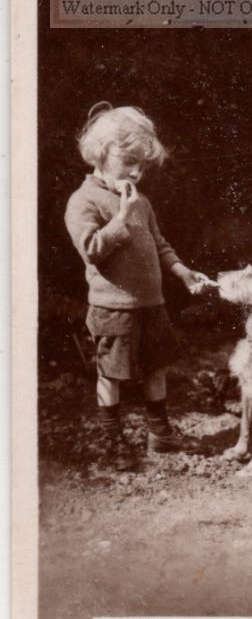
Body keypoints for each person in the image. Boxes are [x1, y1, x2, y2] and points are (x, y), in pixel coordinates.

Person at [65, 101, 209, 463]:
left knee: (156, 366)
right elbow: (91, 249)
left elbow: (158, 244)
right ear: (100, 153)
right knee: (110, 374)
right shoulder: (84, 200)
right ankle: (111, 442)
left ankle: (159, 435)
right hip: (113, 308)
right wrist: (122, 218)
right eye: (129, 162)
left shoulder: (140, 201)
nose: (137, 173)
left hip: (151, 303)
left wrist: (183, 272)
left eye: (142, 166)